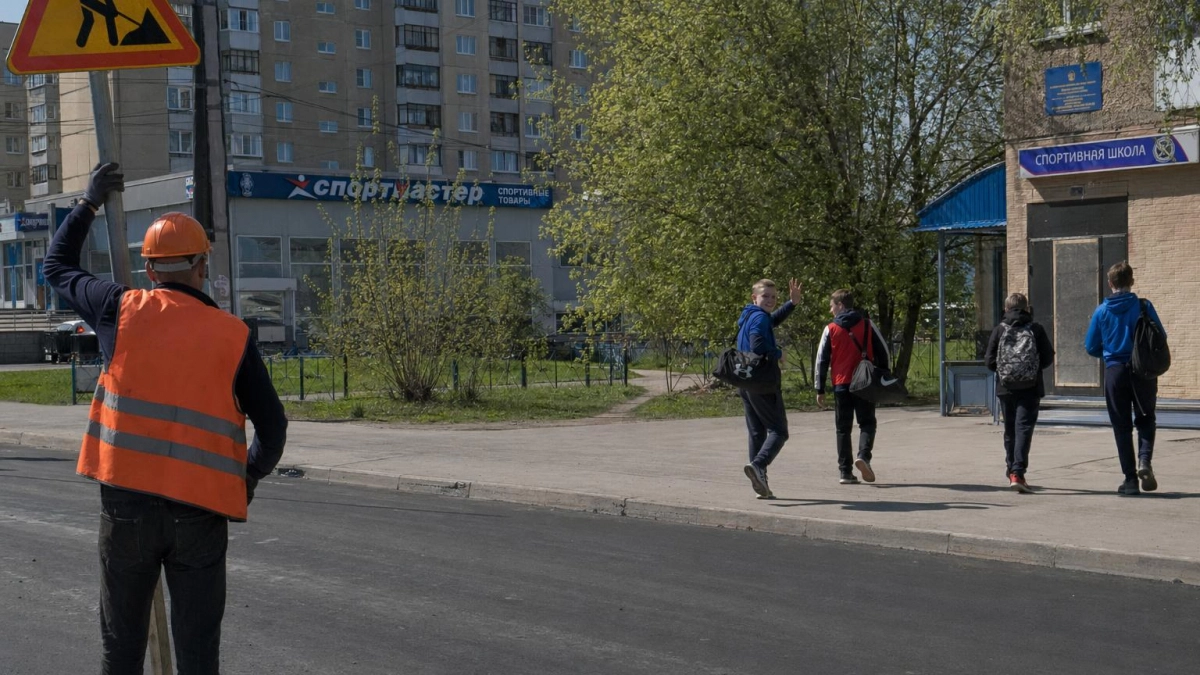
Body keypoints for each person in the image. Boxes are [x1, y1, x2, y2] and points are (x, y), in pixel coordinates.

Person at [43, 163, 289, 674]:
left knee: (123, 647)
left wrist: (88, 203)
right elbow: (273, 426)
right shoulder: (233, 336)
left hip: (126, 508)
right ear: (202, 265)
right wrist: (248, 475)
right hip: (200, 511)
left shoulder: (119, 309)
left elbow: (56, 267)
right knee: (198, 653)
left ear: (150, 268)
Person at [1085, 261, 1165, 496]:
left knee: (1121, 426)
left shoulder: (1101, 311)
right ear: (1131, 281)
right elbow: (1161, 336)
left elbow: (1090, 346)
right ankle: (1144, 461)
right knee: (1146, 418)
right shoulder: (1143, 306)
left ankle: (1130, 480)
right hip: (1143, 371)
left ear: (1110, 283)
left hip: (1115, 371)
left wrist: (1110, 354)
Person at [814, 289, 889, 484]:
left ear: (840, 305)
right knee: (867, 423)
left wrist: (819, 389)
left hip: (841, 384)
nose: (831, 311)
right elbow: (884, 352)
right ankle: (863, 456)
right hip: (864, 384)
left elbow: (821, 361)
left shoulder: (830, 329)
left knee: (842, 428)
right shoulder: (867, 324)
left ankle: (845, 472)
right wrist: (883, 374)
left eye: (832, 306)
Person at [737, 278, 802, 498]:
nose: (771, 300)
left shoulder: (750, 316)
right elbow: (758, 343)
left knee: (757, 432)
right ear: (754, 297)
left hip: (745, 380)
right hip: (763, 381)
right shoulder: (759, 319)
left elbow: (770, 322)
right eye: (765, 296)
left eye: (774, 297)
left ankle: (760, 481)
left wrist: (791, 304)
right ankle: (759, 465)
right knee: (779, 431)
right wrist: (778, 353)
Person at [984, 293, 1054, 493]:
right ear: (1027, 308)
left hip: (1006, 388)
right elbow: (1048, 357)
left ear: (1006, 309)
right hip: (1030, 387)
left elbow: (989, 361)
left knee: (1010, 430)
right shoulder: (1036, 329)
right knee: (1023, 428)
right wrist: (1031, 369)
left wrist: (1006, 370)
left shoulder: (999, 330)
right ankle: (1018, 472)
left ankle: (1011, 470)